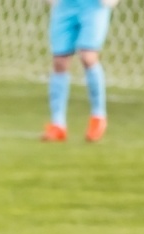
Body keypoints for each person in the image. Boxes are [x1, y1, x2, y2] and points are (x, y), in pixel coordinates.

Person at [42, 0, 120, 143]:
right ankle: (57, 124)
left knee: (88, 56)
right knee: (60, 61)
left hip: (93, 6)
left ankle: (98, 116)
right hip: (65, 5)